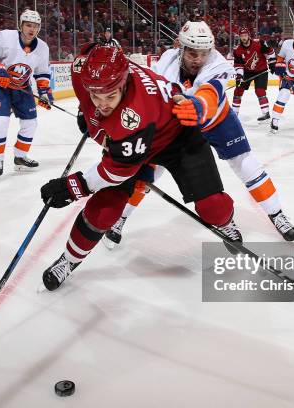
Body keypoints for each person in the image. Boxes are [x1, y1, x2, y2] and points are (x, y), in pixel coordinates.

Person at [38, 43, 243, 291]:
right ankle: (68, 261)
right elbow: (90, 48)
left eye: (110, 96)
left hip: (176, 135)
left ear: (124, 83)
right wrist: (87, 110)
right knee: (103, 211)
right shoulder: (83, 68)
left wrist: (72, 187)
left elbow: (115, 172)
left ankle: (226, 222)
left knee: (213, 207)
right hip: (136, 140)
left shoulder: (134, 114)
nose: (102, 105)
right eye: (95, 96)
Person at [103, 21, 294, 249]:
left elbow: (210, 93)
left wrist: (196, 105)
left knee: (247, 164)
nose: (198, 59)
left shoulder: (218, 63)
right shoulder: (166, 60)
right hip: (176, 124)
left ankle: (277, 215)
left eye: (203, 53)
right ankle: (121, 218)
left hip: (215, 118)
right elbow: (148, 93)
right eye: (192, 53)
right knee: (146, 174)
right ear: (181, 48)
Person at [0, 9, 53, 176]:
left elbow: (42, 73)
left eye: (35, 26)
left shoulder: (42, 48)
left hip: (23, 88)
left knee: (30, 123)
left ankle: (20, 156)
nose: (31, 29)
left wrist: (45, 93)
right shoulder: (5, 37)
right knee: (1, 121)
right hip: (0, 87)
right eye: (28, 25)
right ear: (21, 25)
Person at [231, 27, 276, 121]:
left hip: (261, 71)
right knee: (238, 90)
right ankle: (234, 114)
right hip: (247, 72)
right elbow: (238, 64)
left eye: (245, 35)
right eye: (242, 36)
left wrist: (272, 63)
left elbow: (270, 51)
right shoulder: (237, 50)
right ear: (239, 37)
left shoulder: (259, 43)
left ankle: (266, 113)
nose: (244, 37)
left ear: (249, 36)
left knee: (260, 91)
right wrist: (239, 76)